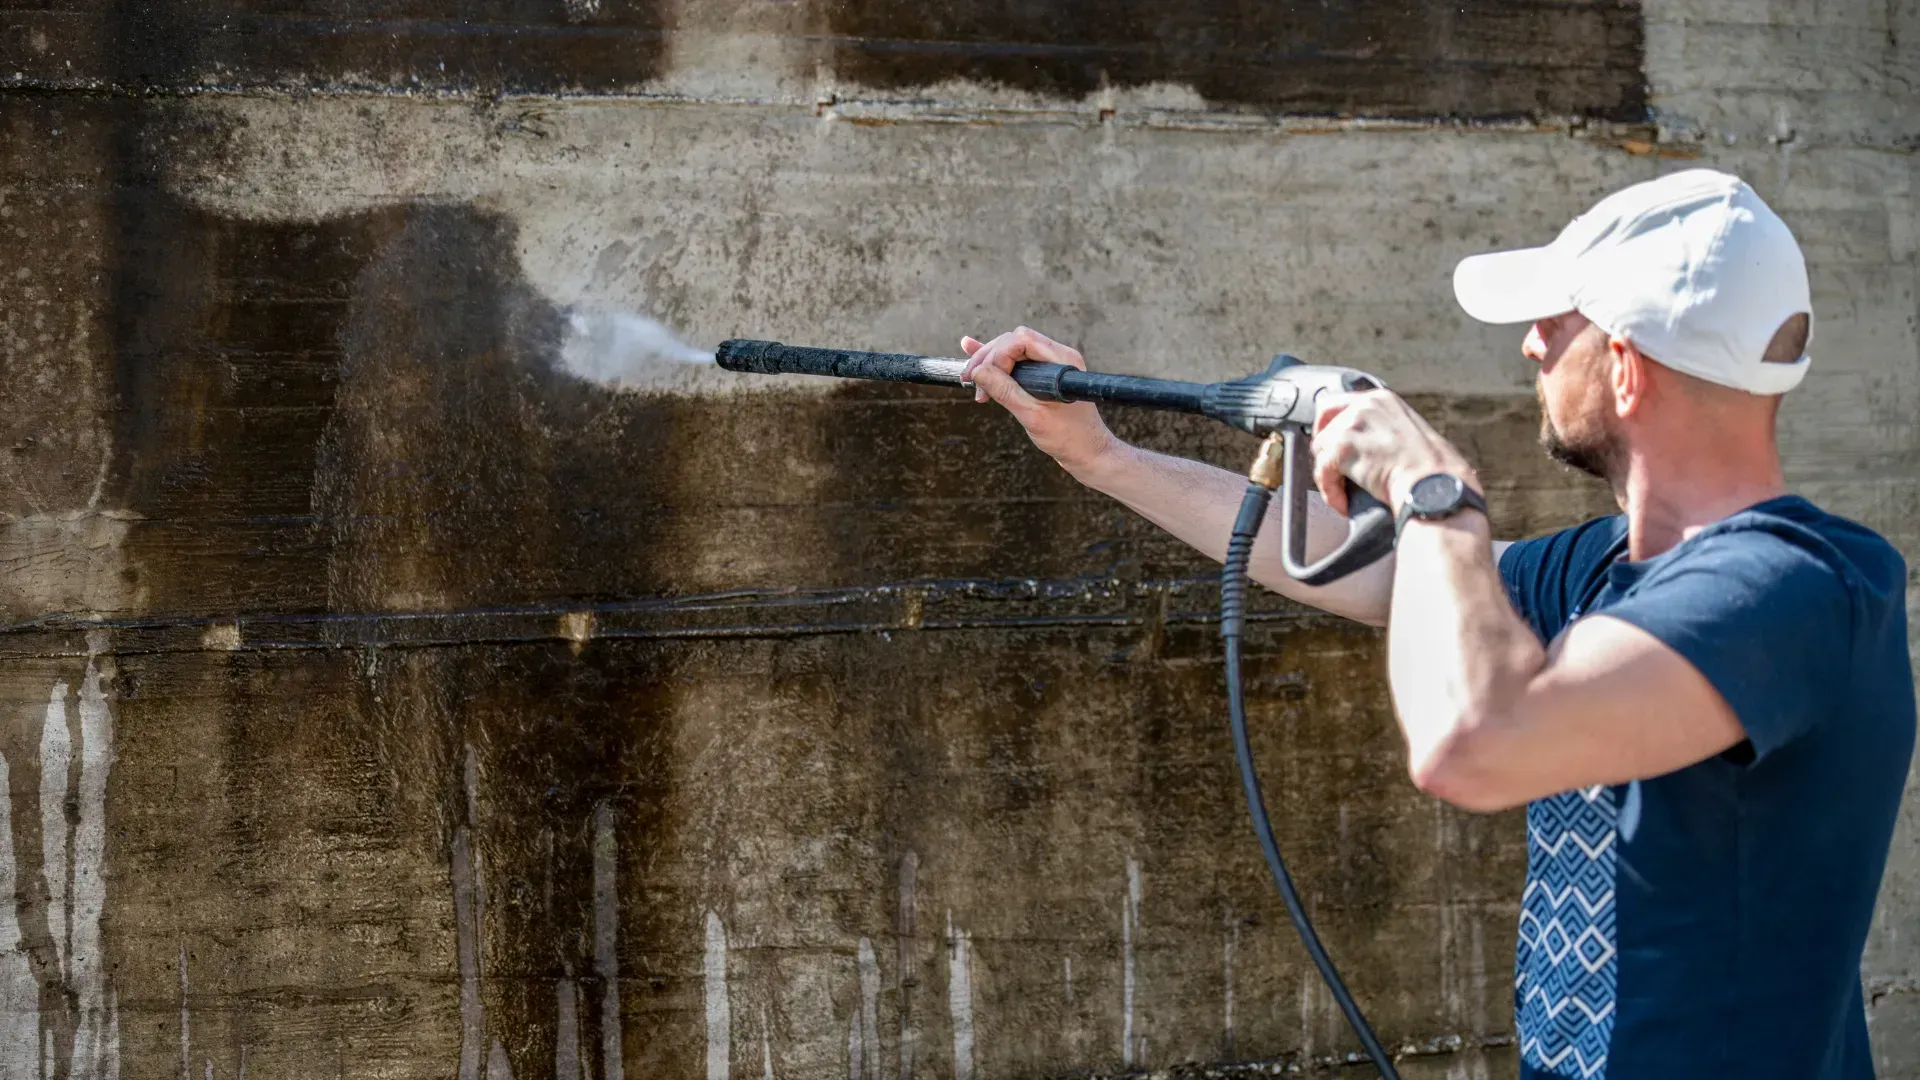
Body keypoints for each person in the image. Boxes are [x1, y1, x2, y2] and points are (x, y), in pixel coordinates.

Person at [957, 169, 1914, 1080]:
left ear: (1625, 368)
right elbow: (1378, 572)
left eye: (1555, 322)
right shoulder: (1604, 569)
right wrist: (1103, 457)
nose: (1531, 346)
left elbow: (1475, 747)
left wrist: (1431, 486)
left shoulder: (1796, 587)